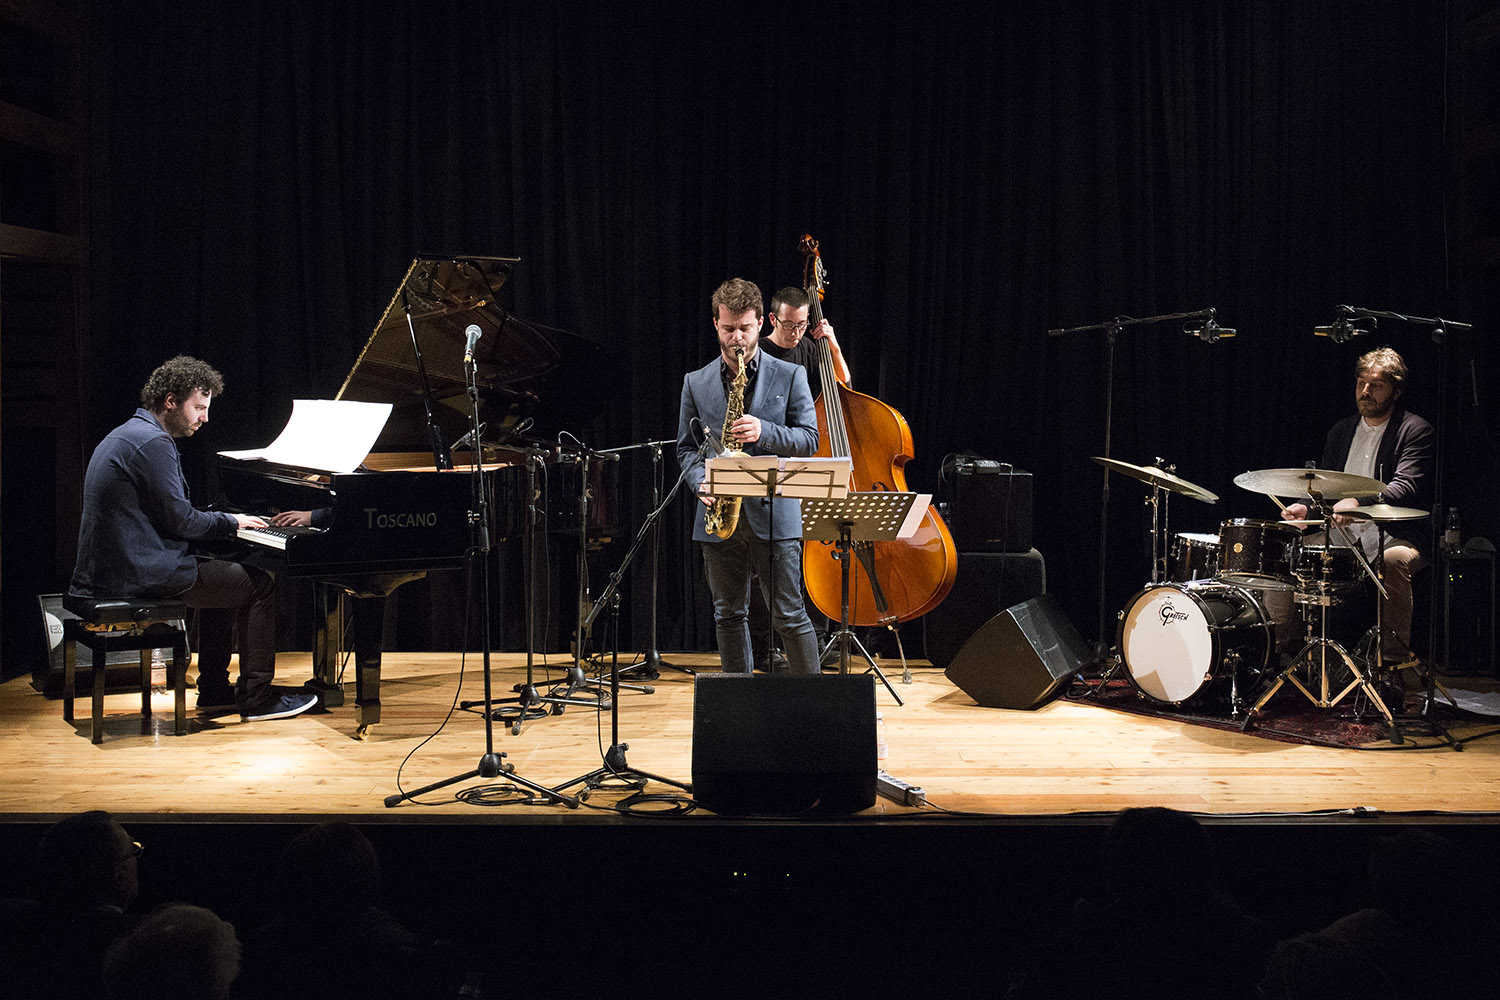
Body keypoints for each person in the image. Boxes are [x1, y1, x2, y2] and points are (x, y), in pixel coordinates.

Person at [69, 355, 318, 722]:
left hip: (118, 567)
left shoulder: (128, 433)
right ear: (170, 401)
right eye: (198, 407)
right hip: (136, 573)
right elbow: (182, 520)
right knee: (260, 585)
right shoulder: (152, 443)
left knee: (227, 574)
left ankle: (215, 689)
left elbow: (172, 517)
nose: (204, 417)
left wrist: (222, 523)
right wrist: (232, 522)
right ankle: (258, 699)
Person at [677, 278, 822, 674]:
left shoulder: (790, 376)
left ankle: (813, 710)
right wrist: (698, 482)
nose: (736, 338)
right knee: (727, 614)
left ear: (761, 322)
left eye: (744, 327)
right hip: (718, 517)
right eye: (728, 328)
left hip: (774, 512)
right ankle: (738, 710)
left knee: (789, 615)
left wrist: (765, 431)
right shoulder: (696, 381)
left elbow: (809, 439)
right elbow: (686, 449)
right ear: (716, 324)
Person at [1280, 347, 1434, 658]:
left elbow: (1404, 487)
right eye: (1361, 383)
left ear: (1397, 390)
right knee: (1286, 551)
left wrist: (1357, 503)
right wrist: (1304, 507)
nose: (1365, 391)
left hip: (1395, 534)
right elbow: (1323, 489)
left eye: (1376, 385)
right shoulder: (1341, 431)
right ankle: (1289, 652)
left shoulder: (1415, 430)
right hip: (1342, 534)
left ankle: (1393, 661)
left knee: (1394, 561)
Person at [759, 284, 850, 403]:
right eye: (788, 324)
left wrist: (835, 350)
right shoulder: (758, 350)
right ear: (772, 319)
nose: (795, 333)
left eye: (801, 324)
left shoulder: (808, 348)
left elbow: (844, 386)